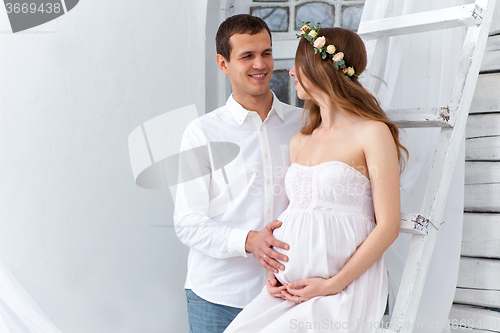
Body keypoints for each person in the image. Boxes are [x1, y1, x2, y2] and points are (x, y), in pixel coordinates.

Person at [223, 24, 408, 333]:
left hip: (343, 287)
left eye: (300, 63)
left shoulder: (371, 133)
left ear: (320, 67)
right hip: (288, 289)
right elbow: (296, 214)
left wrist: (332, 285)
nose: (292, 72)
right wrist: (275, 273)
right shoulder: (301, 139)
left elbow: (388, 227)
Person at [173, 14, 303, 333]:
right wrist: (249, 240)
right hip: (218, 298)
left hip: (289, 292)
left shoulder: (303, 124)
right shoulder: (201, 132)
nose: (260, 64)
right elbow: (187, 223)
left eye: (266, 53)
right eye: (247, 55)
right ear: (223, 63)